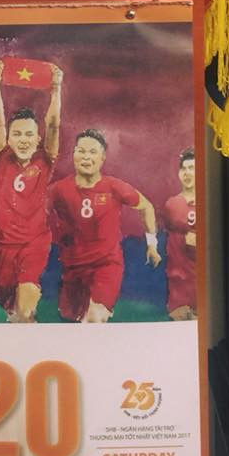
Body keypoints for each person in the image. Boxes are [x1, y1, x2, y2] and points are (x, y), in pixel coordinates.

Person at [49, 130, 161, 323]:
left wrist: (152, 244)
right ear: (74, 154)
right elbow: (34, 211)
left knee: (94, 319)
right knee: (71, 322)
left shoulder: (114, 187)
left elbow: (146, 206)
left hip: (106, 265)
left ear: (102, 158)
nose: (86, 157)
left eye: (92, 152)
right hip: (72, 269)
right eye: (81, 151)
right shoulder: (59, 190)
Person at [0, 59, 63, 322]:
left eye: (29, 135)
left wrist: (56, 88)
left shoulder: (45, 160)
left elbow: (53, 125)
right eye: (17, 134)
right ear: (9, 138)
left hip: (33, 241)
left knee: (26, 308)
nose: (24, 140)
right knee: (13, 314)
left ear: (37, 139)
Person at [157, 147, 197, 320]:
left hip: (203, 283)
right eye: (184, 168)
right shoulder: (172, 205)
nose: (187, 173)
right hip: (179, 283)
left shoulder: (209, 202)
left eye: (192, 168)